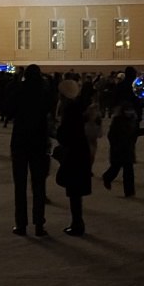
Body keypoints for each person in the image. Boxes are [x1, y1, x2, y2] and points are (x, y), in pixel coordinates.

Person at [9, 66, 52, 235]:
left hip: (20, 139)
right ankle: (39, 224)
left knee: (20, 184)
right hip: (38, 140)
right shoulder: (44, 92)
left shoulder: (19, 90)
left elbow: (8, 109)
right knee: (39, 184)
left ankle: (21, 224)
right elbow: (49, 109)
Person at [52, 75, 94, 236]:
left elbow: (66, 135)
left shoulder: (70, 110)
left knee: (74, 191)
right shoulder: (79, 107)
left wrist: (56, 132)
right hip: (80, 152)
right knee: (75, 191)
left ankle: (77, 223)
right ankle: (77, 221)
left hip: (73, 154)